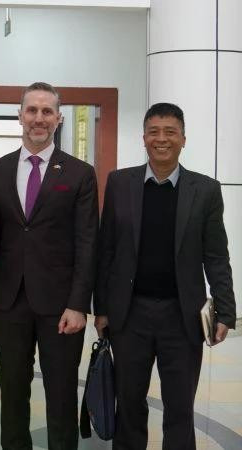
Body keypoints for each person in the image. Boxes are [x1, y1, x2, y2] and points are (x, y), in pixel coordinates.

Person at [94, 103, 236, 449]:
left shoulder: (205, 190)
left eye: (170, 132)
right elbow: (106, 250)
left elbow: (216, 256)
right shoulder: (119, 183)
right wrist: (102, 308)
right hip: (130, 315)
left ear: (183, 139)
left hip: (182, 317)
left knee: (180, 409)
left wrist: (226, 312)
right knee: (128, 404)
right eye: (154, 132)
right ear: (143, 138)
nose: (162, 139)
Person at [0, 82, 99, 450]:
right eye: (32, 110)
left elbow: (87, 242)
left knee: (61, 396)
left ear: (59, 118)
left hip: (61, 307)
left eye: (47, 111)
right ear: (20, 115)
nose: (38, 118)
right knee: (12, 396)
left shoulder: (79, 173)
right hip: (9, 301)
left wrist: (79, 304)